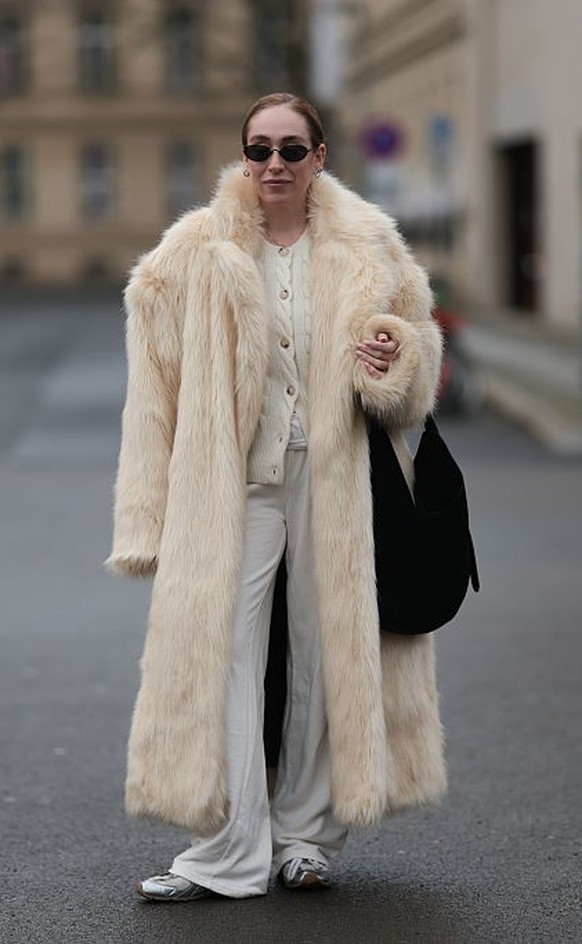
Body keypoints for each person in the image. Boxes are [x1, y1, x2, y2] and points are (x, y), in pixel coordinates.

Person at [106, 92, 446, 902]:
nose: (274, 166)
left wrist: (392, 354)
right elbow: (152, 397)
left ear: (320, 157)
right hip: (233, 483)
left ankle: (302, 835)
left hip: (335, 474)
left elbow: (418, 374)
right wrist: (144, 518)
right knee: (222, 648)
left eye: (292, 150)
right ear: (243, 156)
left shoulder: (372, 247)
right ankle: (224, 846)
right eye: (260, 149)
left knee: (325, 650)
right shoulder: (191, 253)